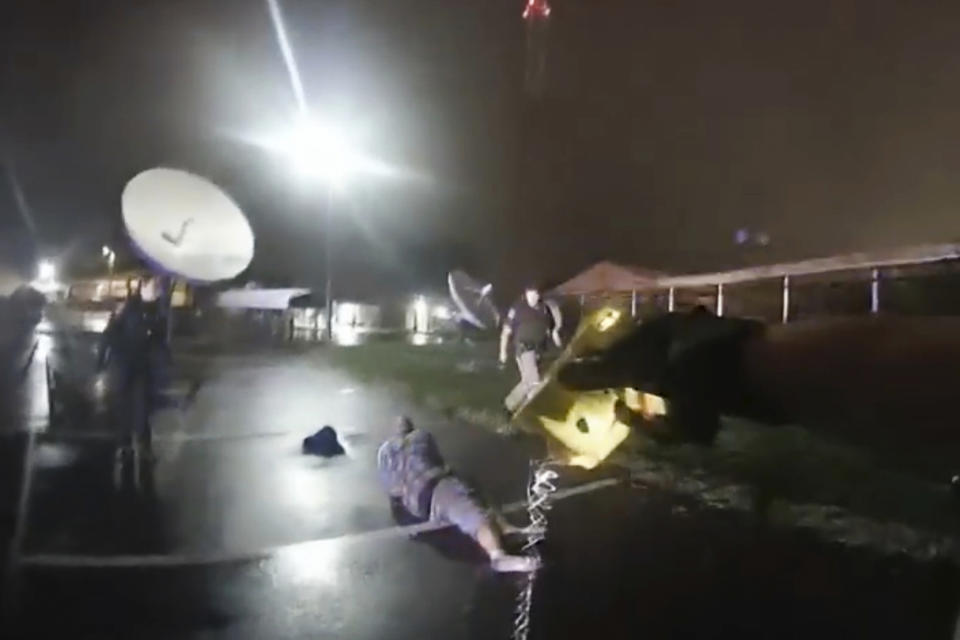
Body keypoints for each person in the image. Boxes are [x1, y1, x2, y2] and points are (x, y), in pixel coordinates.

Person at [377, 416, 539, 573]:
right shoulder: (421, 436)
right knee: (474, 515)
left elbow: (391, 488)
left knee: (471, 491)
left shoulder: (384, 451)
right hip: (434, 485)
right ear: (410, 426)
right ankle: (498, 557)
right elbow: (437, 462)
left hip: (415, 501)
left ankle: (504, 529)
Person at [499, 283, 562, 414]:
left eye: (536, 294)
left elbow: (551, 326)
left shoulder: (543, 309)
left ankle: (512, 408)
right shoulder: (518, 308)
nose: (533, 297)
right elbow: (506, 331)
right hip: (524, 348)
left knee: (528, 383)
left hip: (537, 351)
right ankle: (517, 408)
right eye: (530, 294)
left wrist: (555, 334)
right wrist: (502, 351)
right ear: (526, 294)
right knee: (534, 381)